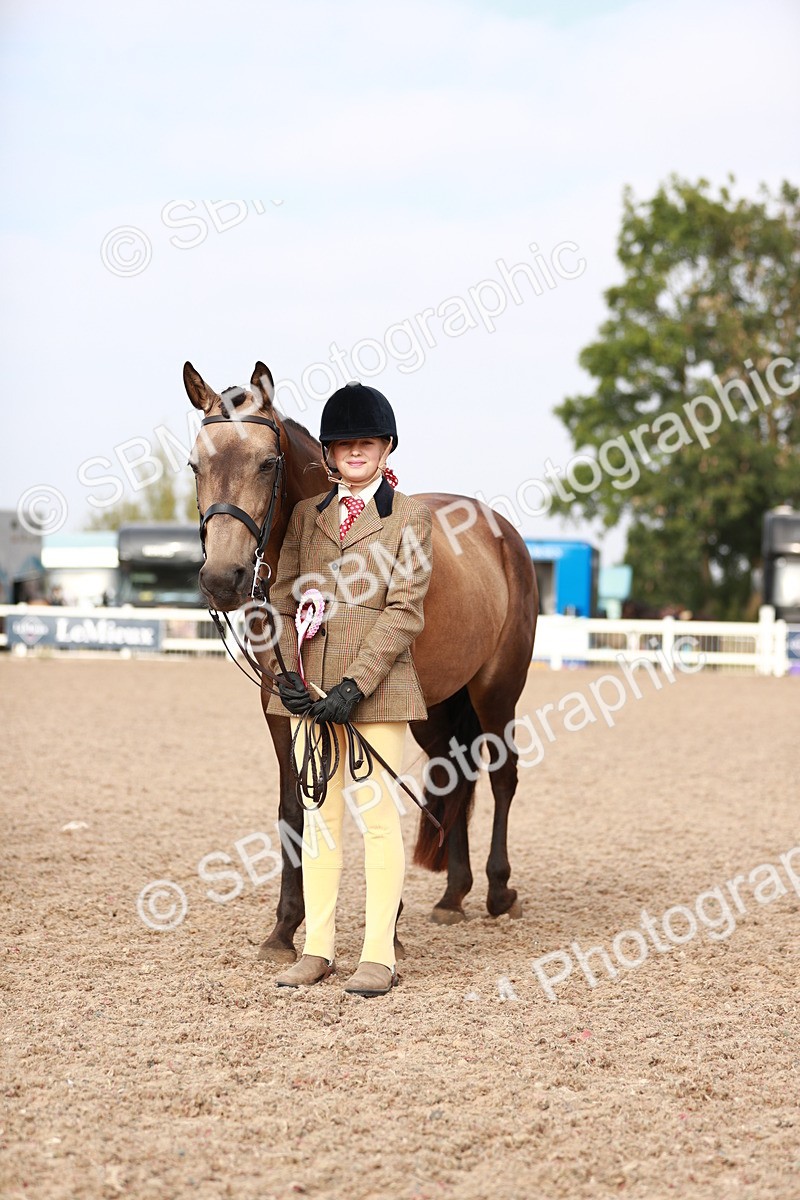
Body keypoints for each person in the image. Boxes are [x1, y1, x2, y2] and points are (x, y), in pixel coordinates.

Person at [265, 381, 433, 997]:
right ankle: (317, 948)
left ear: (385, 448)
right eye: (343, 444)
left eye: (366, 442)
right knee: (318, 820)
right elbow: (283, 597)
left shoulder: (409, 517)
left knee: (378, 820)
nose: (355, 451)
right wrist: (288, 673)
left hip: (377, 692)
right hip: (309, 691)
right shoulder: (307, 517)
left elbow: (405, 611)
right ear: (330, 454)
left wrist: (355, 685)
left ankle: (379, 955)